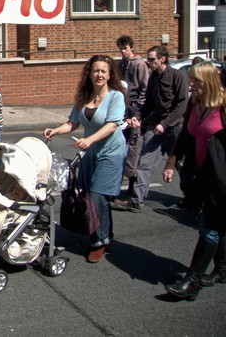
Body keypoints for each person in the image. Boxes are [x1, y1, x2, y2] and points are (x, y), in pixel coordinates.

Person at [44, 55, 127, 262]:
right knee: (94, 196)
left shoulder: (116, 97)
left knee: (97, 196)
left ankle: (98, 241)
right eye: (95, 70)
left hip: (111, 152)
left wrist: (89, 140)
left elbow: (112, 125)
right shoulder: (84, 96)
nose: (99, 74)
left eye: (103, 71)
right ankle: (106, 234)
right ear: (89, 73)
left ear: (110, 75)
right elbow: (72, 123)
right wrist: (55, 130)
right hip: (90, 154)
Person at [162, 62, 226, 300]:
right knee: (220, 225)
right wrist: (171, 164)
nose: (191, 85)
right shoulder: (194, 103)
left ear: (208, 82)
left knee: (210, 227)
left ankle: (192, 281)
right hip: (202, 175)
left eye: (196, 82)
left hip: (221, 180)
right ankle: (221, 269)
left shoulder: (223, 106)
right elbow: (186, 137)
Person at [113, 46, 188, 212]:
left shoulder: (178, 76)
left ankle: (191, 198)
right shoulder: (153, 78)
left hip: (173, 128)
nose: (149, 62)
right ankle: (136, 201)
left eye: (152, 59)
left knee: (181, 165)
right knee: (144, 163)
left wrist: (166, 124)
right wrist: (137, 117)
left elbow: (182, 105)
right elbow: (148, 104)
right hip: (155, 128)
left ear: (163, 59)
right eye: (148, 59)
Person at [116, 35, 149, 193]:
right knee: (122, 142)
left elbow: (144, 87)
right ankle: (125, 175)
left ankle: (132, 179)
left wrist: (138, 108)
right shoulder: (121, 64)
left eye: (125, 48)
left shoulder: (140, 64)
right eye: (121, 49)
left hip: (134, 105)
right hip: (124, 104)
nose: (123, 51)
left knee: (132, 145)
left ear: (131, 47)